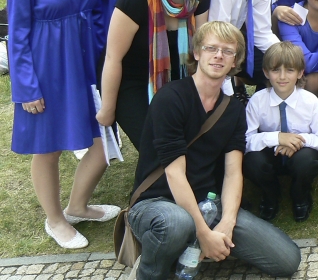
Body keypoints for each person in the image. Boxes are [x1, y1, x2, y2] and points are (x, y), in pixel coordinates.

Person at [126, 21, 301, 280]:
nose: (219, 55)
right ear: (197, 53)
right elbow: (175, 174)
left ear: (235, 62)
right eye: (211, 48)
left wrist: (227, 223)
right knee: (177, 223)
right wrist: (203, 233)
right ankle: (150, 270)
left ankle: (186, 246)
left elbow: (233, 173)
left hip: (208, 203)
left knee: (287, 259)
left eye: (228, 51)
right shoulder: (171, 98)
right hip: (156, 204)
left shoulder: (233, 110)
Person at [10, 0, 119, 249]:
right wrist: (27, 88)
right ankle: (55, 220)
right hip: (47, 67)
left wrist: (105, 59)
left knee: (102, 139)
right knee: (49, 146)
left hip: (85, 60)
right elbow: (17, 33)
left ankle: (78, 206)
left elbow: (96, 12)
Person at [96, 0, 210, 149]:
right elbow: (112, 58)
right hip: (132, 82)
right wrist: (107, 110)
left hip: (178, 80)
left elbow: (200, 52)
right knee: (159, 150)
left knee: (197, 146)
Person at [243, 41, 318, 222]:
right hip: (272, 153)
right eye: (276, 70)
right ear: (266, 72)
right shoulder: (257, 101)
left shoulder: (310, 102)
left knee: (307, 162)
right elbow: (246, 141)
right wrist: (277, 137)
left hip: (299, 153)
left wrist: (297, 141)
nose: (282, 76)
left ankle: (300, 195)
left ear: (300, 73)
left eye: (290, 70)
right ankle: (270, 194)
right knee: (251, 161)